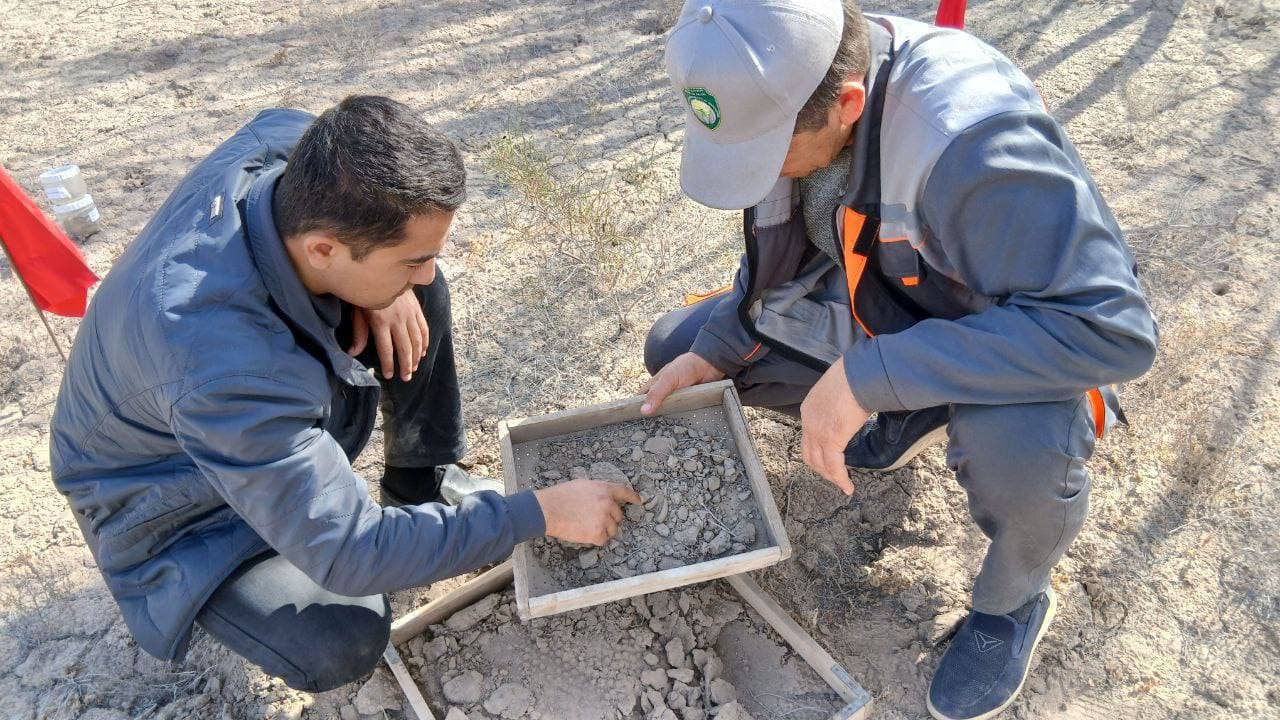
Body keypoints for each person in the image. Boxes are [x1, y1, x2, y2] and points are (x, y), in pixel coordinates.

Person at [641, 2, 1158, 718]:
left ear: (845, 106)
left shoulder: (973, 145)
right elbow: (785, 251)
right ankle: (908, 417)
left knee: (1018, 452)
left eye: (761, 154)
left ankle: (1013, 604)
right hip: (886, 297)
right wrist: (722, 345)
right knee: (682, 347)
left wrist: (868, 377)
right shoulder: (796, 72)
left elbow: (1111, 329)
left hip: (1008, 328)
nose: (753, 174)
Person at [49, 95, 640, 692]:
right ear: (323, 250)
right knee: (345, 635)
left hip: (217, 413)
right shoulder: (225, 370)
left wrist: (384, 288)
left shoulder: (294, 153)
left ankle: (418, 483)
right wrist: (538, 512)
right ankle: (246, 573)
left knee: (413, 300)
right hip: (173, 502)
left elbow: (299, 124)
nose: (430, 270)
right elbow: (351, 553)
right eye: (413, 259)